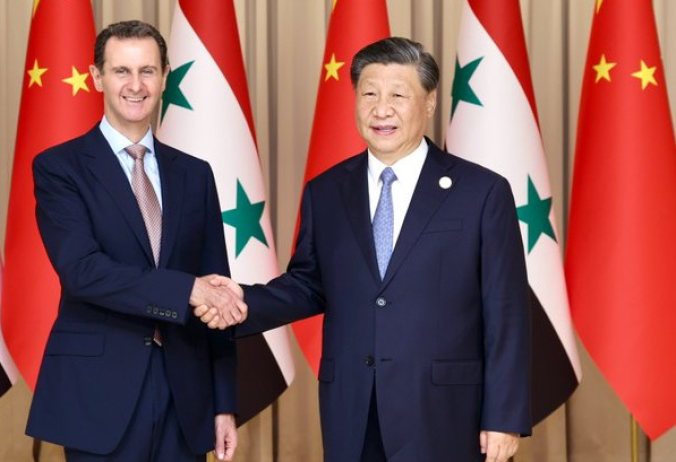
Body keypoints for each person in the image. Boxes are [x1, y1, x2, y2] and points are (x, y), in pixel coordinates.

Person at [203, 37, 531, 461]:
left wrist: (504, 416)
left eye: (398, 95)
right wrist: (239, 302)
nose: (381, 110)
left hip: (445, 413)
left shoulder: (481, 192)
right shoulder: (326, 191)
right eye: (370, 94)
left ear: (430, 102)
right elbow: (308, 285)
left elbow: (506, 312)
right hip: (353, 409)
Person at [26, 20, 246, 462]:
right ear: (97, 76)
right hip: (97, 394)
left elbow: (217, 289)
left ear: (165, 76)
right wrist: (186, 289)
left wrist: (223, 404)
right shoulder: (59, 168)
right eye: (121, 71)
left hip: (185, 395)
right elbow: (83, 271)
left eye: (147, 71)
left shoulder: (195, 174)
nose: (135, 85)